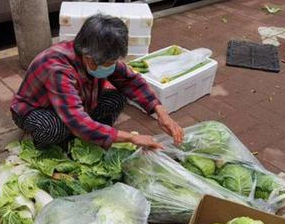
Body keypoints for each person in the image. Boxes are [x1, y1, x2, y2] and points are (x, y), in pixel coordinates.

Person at [10, 13, 184, 150]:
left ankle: (96, 135)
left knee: (117, 98)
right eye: (109, 64)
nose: (112, 67)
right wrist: (131, 137)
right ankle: (46, 143)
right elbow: (76, 119)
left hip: (76, 104)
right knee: (54, 128)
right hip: (36, 110)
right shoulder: (57, 68)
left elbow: (131, 81)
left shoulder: (97, 53)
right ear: (89, 58)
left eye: (114, 62)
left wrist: (161, 112)